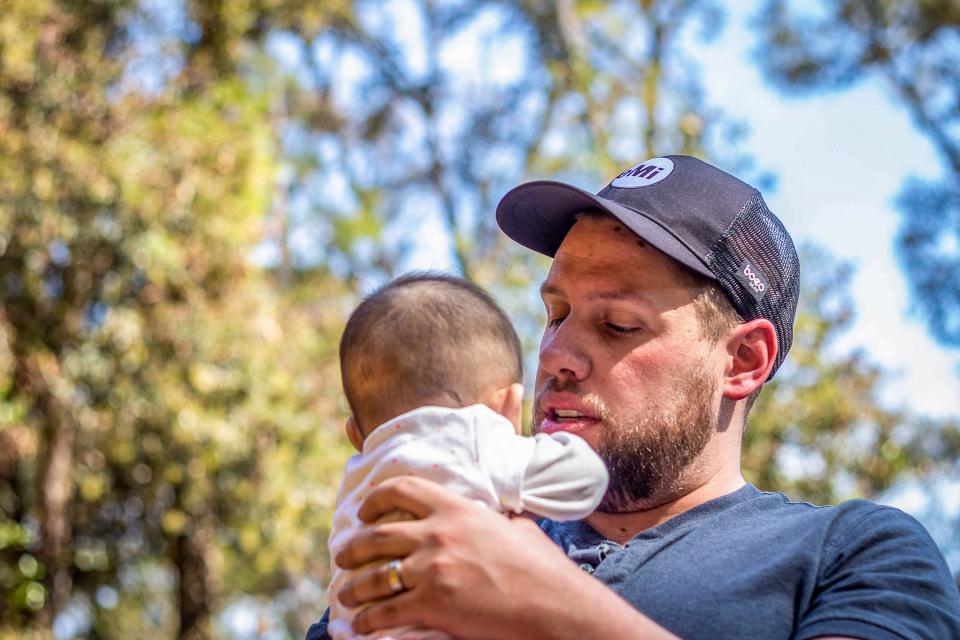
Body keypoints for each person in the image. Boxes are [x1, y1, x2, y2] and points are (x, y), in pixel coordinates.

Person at [309, 155, 960, 639]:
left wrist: (544, 606)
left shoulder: (853, 554)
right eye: (555, 313)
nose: (555, 355)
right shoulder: (445, 525)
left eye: (619, 324)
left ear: (743, 360)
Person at [327, 273, 609, 639]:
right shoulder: (475, 439)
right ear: (506, 406)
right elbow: (587, 479)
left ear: (355, 435)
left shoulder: (358, 479)